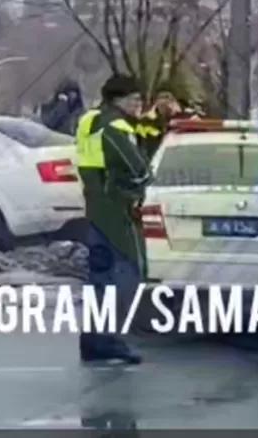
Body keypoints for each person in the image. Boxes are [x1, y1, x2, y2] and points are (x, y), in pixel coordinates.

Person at [75, 74, 152, 364]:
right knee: (127, 273)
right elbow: (138, 168)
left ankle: (93, 339)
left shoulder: (88, 121)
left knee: (99, 277)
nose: (139, 105)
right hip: (118, 212)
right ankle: (111, 339)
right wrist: (142, 181)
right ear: (119, 99)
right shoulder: (116, 127)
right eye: (135, 99)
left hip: (95, 209)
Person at [135, 89, 182, 161]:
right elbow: (141, 144)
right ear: (156, 103)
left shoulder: (178, 119)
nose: (166, 107)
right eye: (162, 105)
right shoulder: (146, 120)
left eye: (169, 103)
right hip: (152, 158)